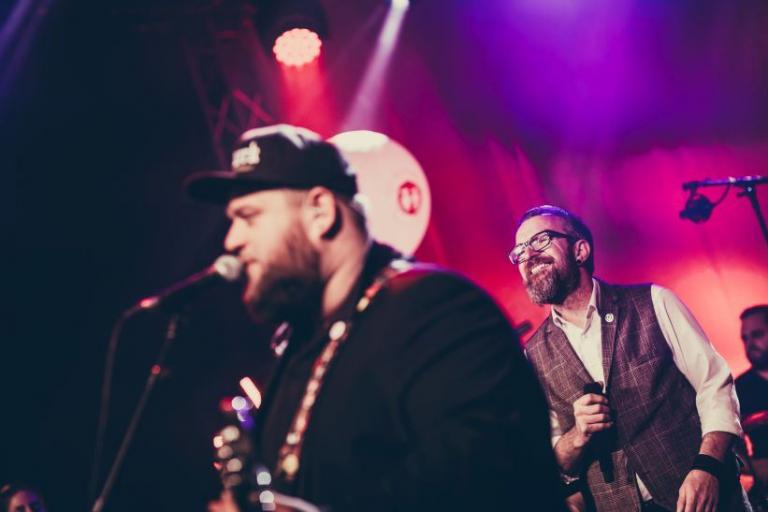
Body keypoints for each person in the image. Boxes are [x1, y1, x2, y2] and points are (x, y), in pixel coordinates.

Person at [185, 124, 566, 511]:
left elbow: (495, 487)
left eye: (249, 216)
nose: (232, 240)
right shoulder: (297, 351)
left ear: (320, 212)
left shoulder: (439, 312)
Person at [511, 204, 751, 512]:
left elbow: (715, 386)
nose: (528, 255)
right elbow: (553, 458)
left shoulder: (654, 302)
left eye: (540, 240)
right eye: (519, 251)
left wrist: (709, 467)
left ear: (580, 250)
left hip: (702, 497)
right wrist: (578, 434)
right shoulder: (532, 355)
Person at [736, 305, 768, 501]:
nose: (749, 344)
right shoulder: (738, 388)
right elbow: (729, 447)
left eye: (757, 334)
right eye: (745, 338)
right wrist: (755, 468)